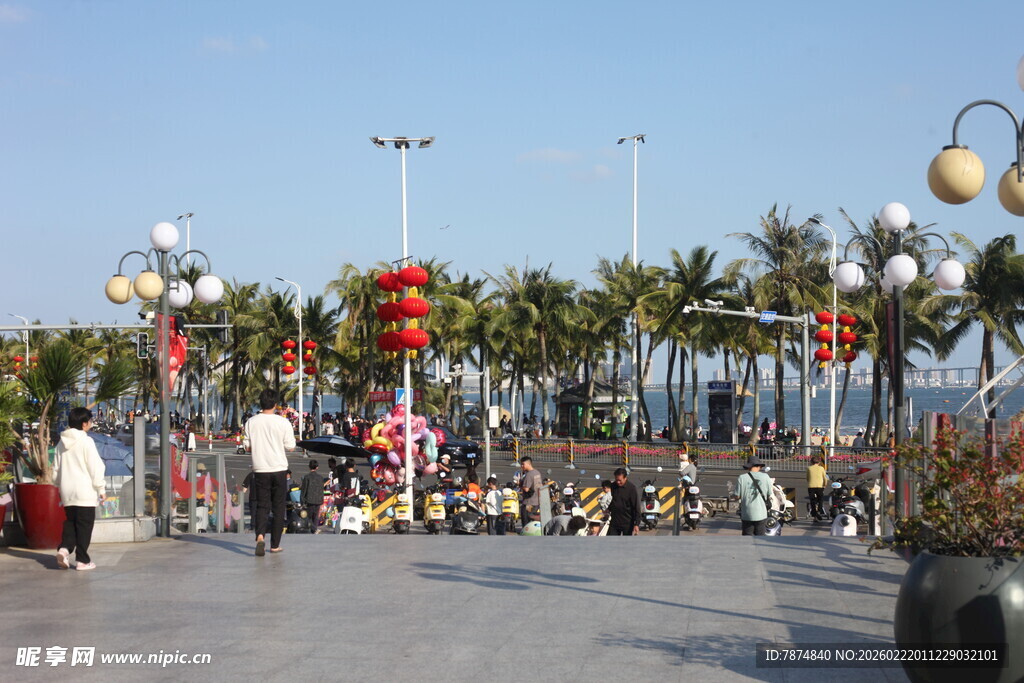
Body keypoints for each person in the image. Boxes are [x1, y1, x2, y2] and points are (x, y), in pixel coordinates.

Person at [245, 389, 296, 556]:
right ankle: (275, 544)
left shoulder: (251, 422)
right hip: (279, 468)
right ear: (275, 404)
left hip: (260, 468)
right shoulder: (283, 423)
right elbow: (291, 446)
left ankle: (260, 535)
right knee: (279, 506)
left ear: (260, 403)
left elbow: (247, 447)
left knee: (262, 505)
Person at [54, 407, 105, 571]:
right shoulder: (86, 441)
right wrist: (101, 488)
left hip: (67, 491)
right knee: (84, 526)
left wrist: (58, 486)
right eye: (90, 421)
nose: (90, 424)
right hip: (85, 491)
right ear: (84, 424)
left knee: (71, 523)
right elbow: (95, 467)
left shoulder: (61, 443)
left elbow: (56, 469)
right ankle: (82, 560)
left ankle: (64, 549)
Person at [736, 454, 773, 535]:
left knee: (747, 537)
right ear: (759, 466)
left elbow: (737, 496)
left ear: (749, 466)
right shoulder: (766, 477)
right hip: (761, 513)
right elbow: (769, 493)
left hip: (747, 513)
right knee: (760, 537)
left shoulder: (741, 478)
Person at [607, 468, 640, 536]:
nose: (618, 482)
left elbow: (636, 507)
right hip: (615, 521)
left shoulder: (631, 488)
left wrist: (636, 524)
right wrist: (608, 509)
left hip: (627, 522)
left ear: (625, 478)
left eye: (620, 480)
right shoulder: (613, 486)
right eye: (616, 480)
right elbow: (613, 500)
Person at [301, 460, 326, 533]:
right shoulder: (320, 477)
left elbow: (304, 489)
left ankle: (313, 529)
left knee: (308, 517)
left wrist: (302, 500)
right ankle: (314, 529)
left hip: (309, 499)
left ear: (309, 467)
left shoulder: (307, 477)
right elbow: (321, 489)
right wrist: (321, 500)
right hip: (318, 499)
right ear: (317, 467)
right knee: (315, 517)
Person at [518, 456, 543, 522]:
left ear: (529, 464)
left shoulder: (529, 475)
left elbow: (526, 489)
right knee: (532, 520)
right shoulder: (537, 472)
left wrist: (520, 484)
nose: (522, 466)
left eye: (523, 464)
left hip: (529, 503)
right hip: (537, 502)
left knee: (526, 521)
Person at [806, 454, 828, 520]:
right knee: (820, 499)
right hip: (819, 486)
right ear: (819, 462)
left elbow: (807, 478)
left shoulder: (809, 468)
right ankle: (819, 510)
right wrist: (825, 484)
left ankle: (814, 514)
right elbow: (825, 478)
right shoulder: (821, 468)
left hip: (811, 486)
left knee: (812, 501)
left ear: (811, 462)